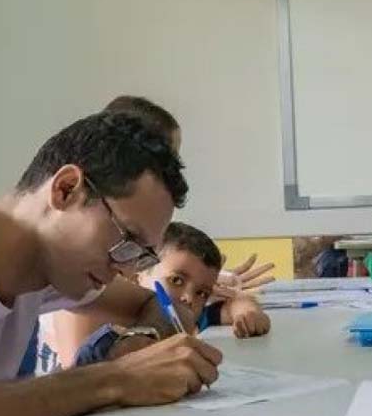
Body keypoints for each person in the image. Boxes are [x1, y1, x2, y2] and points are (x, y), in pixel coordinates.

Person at [0, 111, 222, 416]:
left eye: (142, 255)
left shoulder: (46, 269)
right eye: (126, 239)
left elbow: (159, 304)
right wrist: (116, 379)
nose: (125, 268)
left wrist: (140, 339)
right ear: (65, 189)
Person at [39, 96, 273, 370]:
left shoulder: (119, 265)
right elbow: (79, 373)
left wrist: (203, 288)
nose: (172, 174)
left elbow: (169, 305)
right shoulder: (78, 272)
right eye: (164, 159)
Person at [74, 222, 270, 365]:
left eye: (202, 293)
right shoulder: (104, 339)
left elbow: (234, 302)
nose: (188, 298)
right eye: (176, 280)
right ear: (136, 276)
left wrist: (248, 312)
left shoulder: (191, 318)